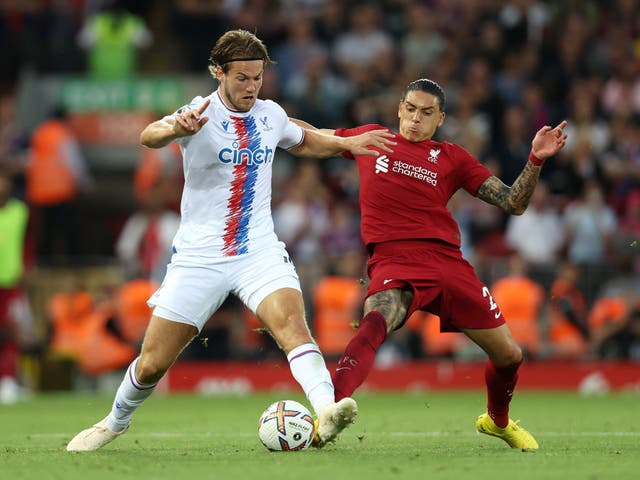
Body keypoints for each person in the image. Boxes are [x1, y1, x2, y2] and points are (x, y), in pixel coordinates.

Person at [65, 29, 394, 452]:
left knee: (293, 327)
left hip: (258, 250)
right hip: (199, 258)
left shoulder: (270, 114)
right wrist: (172, 130)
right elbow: (150, 135)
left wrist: (348, 143)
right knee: (151, 364)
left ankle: (327, 410)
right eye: (241, 78)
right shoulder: (197, 112)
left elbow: (306, 138)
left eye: (257, 78)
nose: (251, 87)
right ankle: (114, 422)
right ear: (218, 72)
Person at [294, 78, 567, 451]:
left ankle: (497, 422)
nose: (415, 119)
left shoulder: (452, 157)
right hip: (394, 257)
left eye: (425, 113)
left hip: (448, 263)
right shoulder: (373, 138)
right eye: (409, 109)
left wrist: (535, 158)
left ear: (440, 118)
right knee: (378, 317)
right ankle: (329, 411)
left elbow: (512, 203)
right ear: (399, 109)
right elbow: (315, 137)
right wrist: (271, 121)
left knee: (510, 355)